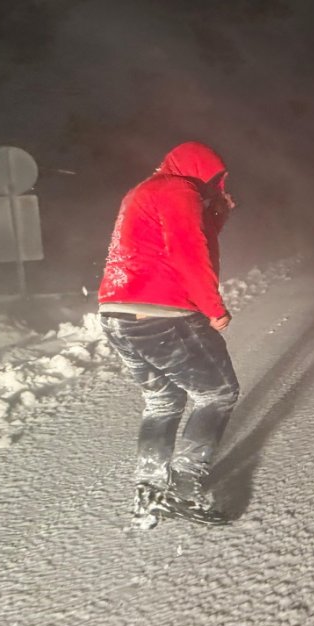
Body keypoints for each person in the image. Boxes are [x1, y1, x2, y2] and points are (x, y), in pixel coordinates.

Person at [98, 141, 240, 528]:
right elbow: (189, 251)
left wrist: (215, 216)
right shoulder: (181, 191)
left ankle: (150, 490)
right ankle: (183, 486)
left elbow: (176, 238)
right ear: (200, 172)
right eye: (215, 181)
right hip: (162, 315)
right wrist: (213, 307)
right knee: (218, 393)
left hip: (117, 315)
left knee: (162, 401)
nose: (216, 187)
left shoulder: (143, 191)